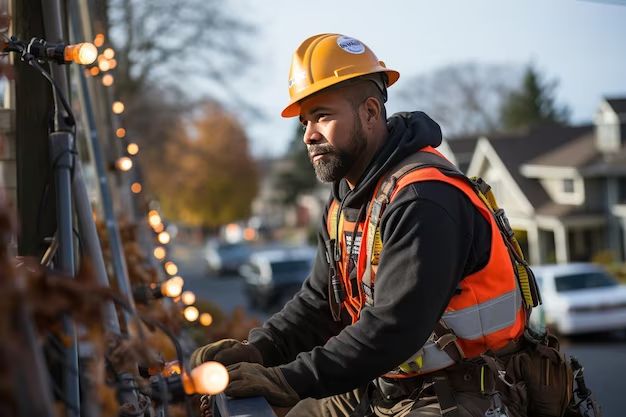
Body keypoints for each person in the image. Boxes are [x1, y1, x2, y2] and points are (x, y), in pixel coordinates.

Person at [191, 33, 533, 417]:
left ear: (370, 113)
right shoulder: (343, 203)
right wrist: (259, 349)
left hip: (463, 391)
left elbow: (393, 328)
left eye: (322, 115)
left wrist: (288, 380)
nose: (308, 135)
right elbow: (319, 303)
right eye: (304, 122)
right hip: (388, 385)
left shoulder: (424, 199)